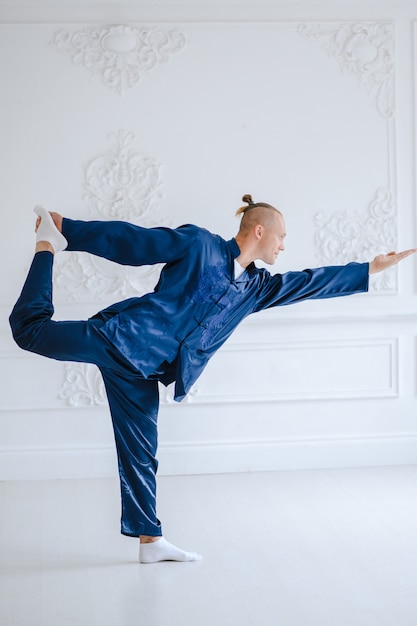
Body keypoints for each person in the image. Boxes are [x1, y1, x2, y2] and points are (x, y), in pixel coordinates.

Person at [9, 194, 416, 563]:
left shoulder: (256, 288)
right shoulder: (199, 244)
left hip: (147, 371)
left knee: (142, 452)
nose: (284, 245)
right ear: (260, 230)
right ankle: (45, 245)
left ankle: (150, 541)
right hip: (121, 340)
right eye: (282, 236)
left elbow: (307, 283)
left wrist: (370, 269)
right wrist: (66, 230)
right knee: (29, 330)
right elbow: (136, 242)